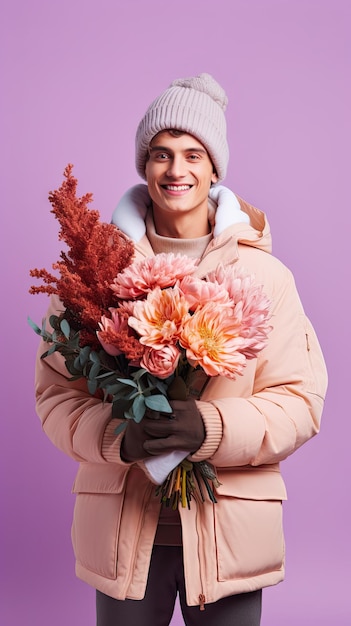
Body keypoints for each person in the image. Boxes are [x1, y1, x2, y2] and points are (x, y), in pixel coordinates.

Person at [35, 73, 328, 626]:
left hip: (230, 540)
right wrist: (122, 437)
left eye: (194, 154)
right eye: (161, 155)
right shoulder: (95, 273)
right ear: (144, 166)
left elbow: (301, 401)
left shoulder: (264, 276)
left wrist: (209, 428)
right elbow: (56, 397)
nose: (176, 170)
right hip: (122, 540)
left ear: (215, 168)